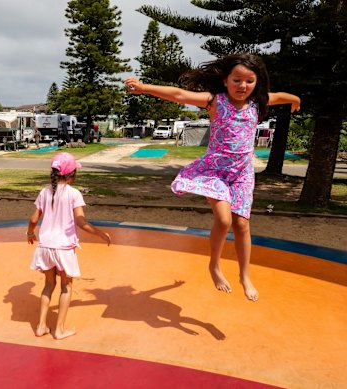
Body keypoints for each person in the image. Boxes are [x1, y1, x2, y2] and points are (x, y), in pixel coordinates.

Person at [124, 53, 300, 302]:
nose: (243, 86)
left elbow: (281, 96)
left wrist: (295, 99)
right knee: (224, 219)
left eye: (249, 81)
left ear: (257, 82)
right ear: (226, 80)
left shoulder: (258, 103)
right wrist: (144, 88)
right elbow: (178, 94)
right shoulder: (215, 101)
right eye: (237, 80)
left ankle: (244, 275)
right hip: (214, 171)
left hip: (241, 173)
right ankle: (214, 266)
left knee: (242, 224)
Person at [27, 152, 111, 339]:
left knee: (49, 284)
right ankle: (59, 330)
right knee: (66, 286)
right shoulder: (74, 194)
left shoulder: (44, 192)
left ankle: (41, 326)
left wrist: (30, 233)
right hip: (63, 248)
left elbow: (33, 219)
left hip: (45, 246)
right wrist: (99, 232)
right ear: (72, 174)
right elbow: (81, 222)